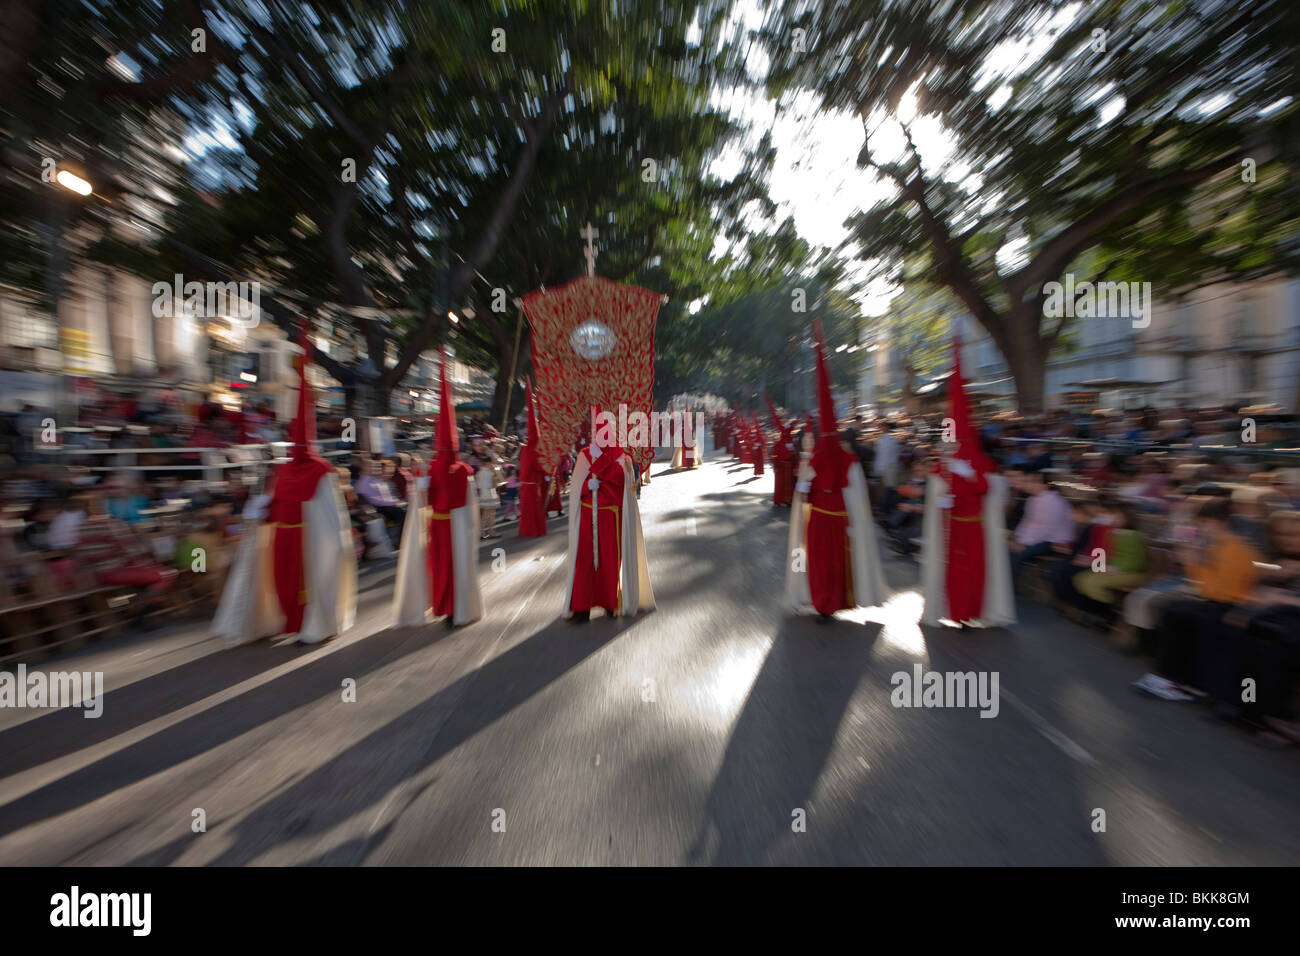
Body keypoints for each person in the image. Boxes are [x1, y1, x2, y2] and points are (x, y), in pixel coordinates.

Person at [212, 323, 356, 647]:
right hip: (283, 539)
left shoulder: (322, 471)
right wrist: (259, 513)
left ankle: (311, 623)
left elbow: (331, 521)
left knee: (307, 583)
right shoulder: (284, 471)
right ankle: (288, 623)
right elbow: (272, 505)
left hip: (308, 543)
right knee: (282, 584)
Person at [785, 320, 888, 619]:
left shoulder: (816, 461)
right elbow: (857, 498)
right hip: (838, 522)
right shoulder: (847, 462)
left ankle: (822, 602)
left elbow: (803, 495)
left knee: (819, 562)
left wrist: (806, 490)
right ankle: (830, 602)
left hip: (820, 521)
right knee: (833, 564)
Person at [920, 336, 1015, 629]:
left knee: (973, 571)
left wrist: (967, 474)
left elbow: (988, 490)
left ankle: (972, 611)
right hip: (953, 527)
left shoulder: (981, 464)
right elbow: (934, 491)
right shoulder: (944, 464)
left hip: (974, 526)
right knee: (955, 571)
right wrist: (940, 498)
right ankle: (956, 612)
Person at [1133, 498, 1263, 701]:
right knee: (1173, 609)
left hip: (1232, 607)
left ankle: (1175, 679)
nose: (1201, 529)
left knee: (1178, 612)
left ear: (1219, 523)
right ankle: (1169, 675)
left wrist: (1193, 563)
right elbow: (1207, 588)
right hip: (1218, 602)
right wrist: (1193, 563)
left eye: (1204, 524)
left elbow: (1214, 591)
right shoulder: (1219, 546)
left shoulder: (1235, 550)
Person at [393, 349, 482, 628]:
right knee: (443, 568)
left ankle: (449, 607)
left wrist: (421, 485)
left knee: (445, 568)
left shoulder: (448, 470)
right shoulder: (458, 471)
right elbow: (432, 501)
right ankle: (448, 607)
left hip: (443, 527)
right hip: (443, 528)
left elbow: (427, 500)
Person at [564, 406, 654, 621]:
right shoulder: (585, 455)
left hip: (612, 518)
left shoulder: (622, 457)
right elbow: (576, 488)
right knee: (584, 561)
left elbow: (624, 481)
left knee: (609, 562)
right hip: (588, 516)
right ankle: (580, 608)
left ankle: (609, 602)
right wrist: (588, 487)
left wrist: (601, 462)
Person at [517, 378, 548, 537]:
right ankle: (533, 530)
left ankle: (527, 529)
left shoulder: (525, 450)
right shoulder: (534, 451)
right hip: (532, 484)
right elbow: (540, 466)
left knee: (527, 509)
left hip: (525, 484)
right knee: (534, 508)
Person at [766, 396, 795, 508]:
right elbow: (775, 416)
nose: (784, 417)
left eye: (785, 415)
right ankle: (780, 499)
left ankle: (789, 500)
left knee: (789, 482)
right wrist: (770, 404)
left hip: (790, 460)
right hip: (782, 461)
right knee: (781, 482)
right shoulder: (782, 427)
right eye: (783, 415)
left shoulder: (790, 426)